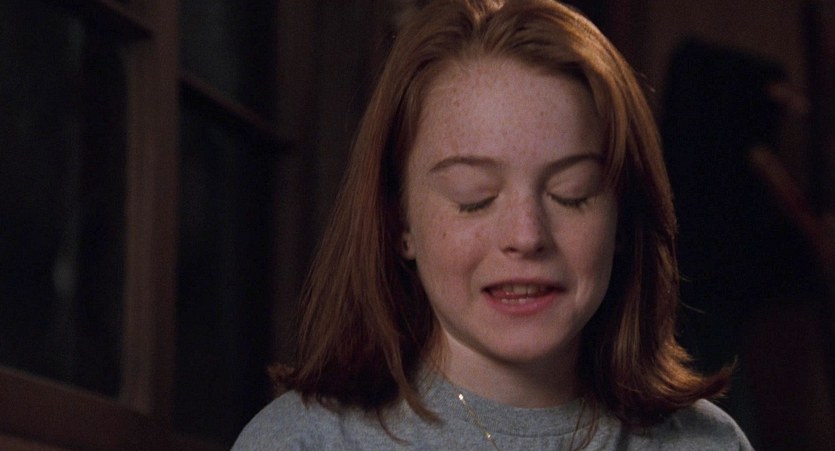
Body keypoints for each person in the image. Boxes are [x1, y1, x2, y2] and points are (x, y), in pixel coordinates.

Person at [233, 0, 752, 449]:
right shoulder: (301, 442)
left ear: (622, 219)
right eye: (474, 198)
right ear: (399, 221)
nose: (526, 236)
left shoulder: (708, 444)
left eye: (570, 194)